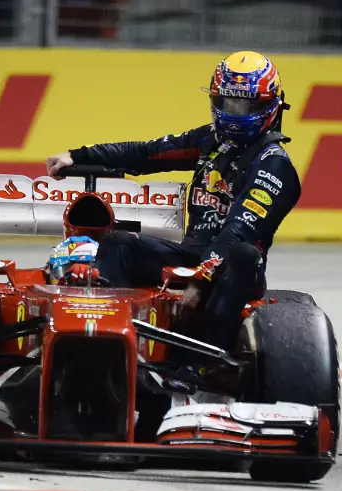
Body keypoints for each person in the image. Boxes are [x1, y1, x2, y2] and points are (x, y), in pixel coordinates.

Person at [44, 50, 301, 353]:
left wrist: (199, 281)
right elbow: (147, 152)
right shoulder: (212, 142)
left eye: (246, 105)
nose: (235, 112)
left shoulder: (274, 165)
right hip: (189, 256)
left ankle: (200, 359)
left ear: (270, 104)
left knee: (243, 254)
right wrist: (79, 155)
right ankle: (101, 343)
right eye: (228, 102)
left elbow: (239, 232)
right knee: (118, 243)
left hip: (230, 272)